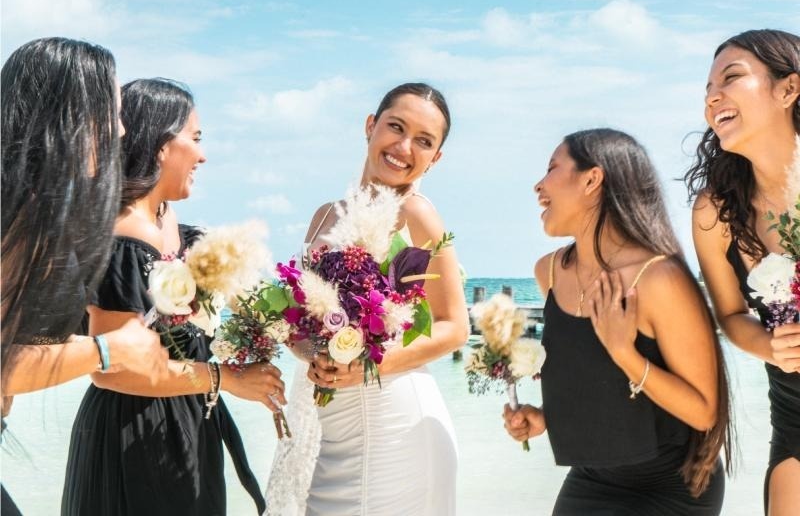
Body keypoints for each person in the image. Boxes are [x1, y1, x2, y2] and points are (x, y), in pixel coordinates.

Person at [61, 78, 286, 516]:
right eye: (195, 139)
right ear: (162, 145)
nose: (202, 155)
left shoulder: (169, 219)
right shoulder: (123, 233)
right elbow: (111, 372)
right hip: (135, 433)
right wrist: (226, 379)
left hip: (185, 421)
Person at [266, 83, 469, 516]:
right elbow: (297, 320)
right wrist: (311, 353)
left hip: (397, 423)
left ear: (436, 158)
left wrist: (369, 366)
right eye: (396, 127)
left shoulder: (418, 215)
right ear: (370, 126)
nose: (404, 147)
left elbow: (455, 327)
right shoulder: (323, 215)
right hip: (331, 424)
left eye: (424, 141)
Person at [505, 129, 731, 515]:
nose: (538, 186)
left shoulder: (660, 279)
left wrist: (624, 353)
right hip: (592, 477)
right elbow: (595, 383)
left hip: (672, 484)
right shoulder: (551, 272)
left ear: (592, 179)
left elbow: (703, 411)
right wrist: (547, 419)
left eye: (551, 169)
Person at [1, 38, 168, 514]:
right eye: (110, 113)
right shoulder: (22, 221)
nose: (119, 132)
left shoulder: (24, 205)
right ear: (69, 116)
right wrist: (108, 349)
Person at [685, 29, 800, 516]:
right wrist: (770, 346)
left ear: (788, 89)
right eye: (709, 88)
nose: (714, 96)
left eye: (731, 78)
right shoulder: (715, 212)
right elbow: (730, 315)